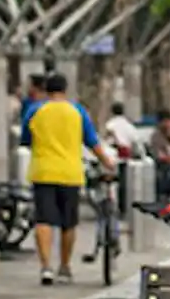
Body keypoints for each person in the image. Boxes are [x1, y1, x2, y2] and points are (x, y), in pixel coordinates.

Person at [23, 72, 113, 285]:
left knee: (43, 220)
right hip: (70, 173)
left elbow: (26, 139)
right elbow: (92, 142)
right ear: (65, 90)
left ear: (46, 90)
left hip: (43, 172)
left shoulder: (35, 110)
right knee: (68, 223)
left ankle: (46, 267)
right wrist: (107, 162)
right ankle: (64, 266)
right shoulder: (78, 111)